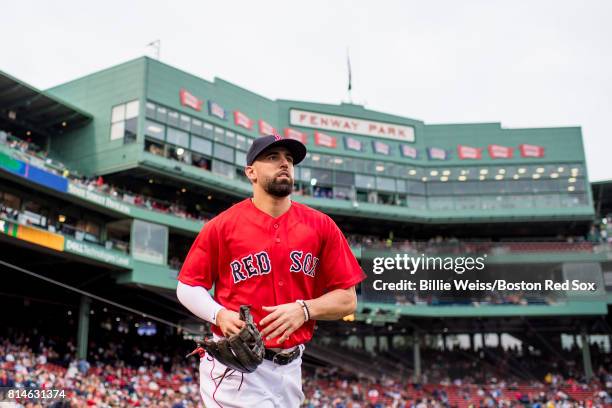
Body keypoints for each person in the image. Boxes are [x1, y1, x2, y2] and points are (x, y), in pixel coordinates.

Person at [176, 134, 365, 408]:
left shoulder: (321, 226)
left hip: (291, 367)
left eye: (289, 159)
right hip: (236, 369)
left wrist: (305, 309)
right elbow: (187, 286)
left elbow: (348, 299)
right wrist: (220, 314)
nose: (284, 164)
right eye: (273, 157)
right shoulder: (222, 226)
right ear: (250, 172)